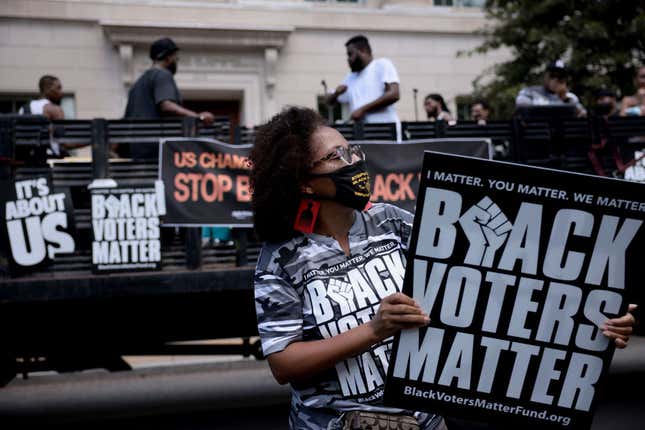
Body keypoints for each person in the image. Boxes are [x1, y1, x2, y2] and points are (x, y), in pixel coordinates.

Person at [249, 106, 638, 430]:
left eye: (352, 151)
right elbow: (284, 363)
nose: (353, 163)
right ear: (304, 183)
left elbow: (497, 279)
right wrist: (374, 330)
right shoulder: (282, 259)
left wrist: (593, 316)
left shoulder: (390, 221)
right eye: (337, 157)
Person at [123, 37, 215, 159]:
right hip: (159, 150)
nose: (177, 59)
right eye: (175, 56)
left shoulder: (137, 85)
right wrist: (198, 117)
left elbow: (126, 120)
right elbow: (166, 105)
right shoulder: (162, 75)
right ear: (168, 57)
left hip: (138, 152)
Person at [326, 35, 401, 140]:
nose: (348, 59)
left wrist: (363, 110)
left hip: (385, 131)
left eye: (350, 54)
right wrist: (336, 94)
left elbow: (394, 94)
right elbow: (329, 101)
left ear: (362, 50)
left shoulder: (381, 64)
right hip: (362, 133)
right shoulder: (350, 77)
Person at [515, 60, 587, 117]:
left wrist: (565, 99)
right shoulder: (530, 92)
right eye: (552, 75)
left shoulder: (570, 97)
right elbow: (522, 109)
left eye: (560, 77)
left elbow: (583, 114)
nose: (555, 80)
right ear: (545, 76)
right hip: (538, 131)